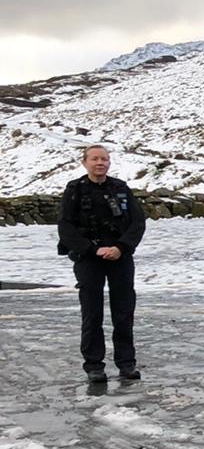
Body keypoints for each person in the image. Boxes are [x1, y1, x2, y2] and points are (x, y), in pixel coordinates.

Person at [57, 144, 146, 383]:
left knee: (124, 312)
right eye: (95, 159)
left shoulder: (121, 188)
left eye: (104, 159)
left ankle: (127, 364)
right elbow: (65, 227)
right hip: (88, 259)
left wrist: (121, 248)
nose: (100, 163)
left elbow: (137, 223)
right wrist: (92, 250)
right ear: (85, 162)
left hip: (120, 257)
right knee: (92, 313)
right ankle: (94, 365)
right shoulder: (75, 190)